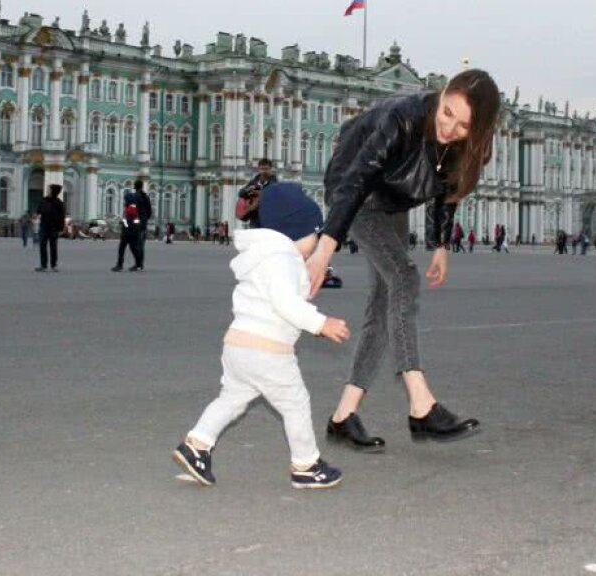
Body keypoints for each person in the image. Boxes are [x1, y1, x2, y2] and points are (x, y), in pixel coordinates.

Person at [305, 69, 501, 451]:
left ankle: (344, 417)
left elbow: (448, 189)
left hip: (392, 200)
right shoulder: (403, 117)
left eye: (463, 127)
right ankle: (421, 402)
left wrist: (441, 245)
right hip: (355, 192)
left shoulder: (473, 146)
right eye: (446, 114)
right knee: (404, 277)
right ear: (441, 95)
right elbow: (358, 179)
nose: (449, 129)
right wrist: (326, 247)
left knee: (384, 302)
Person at [172, 182, 350, 489]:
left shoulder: (263, 256)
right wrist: (321, 323)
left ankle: (197, 445)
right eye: (314, 234)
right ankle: (306, 464)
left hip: (238, 344)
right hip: (268, 350)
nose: (316, 241)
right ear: (296, 231)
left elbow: (278, 298)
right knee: (295, 403)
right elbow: (286, 304)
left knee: (231, 398)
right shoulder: (283, 259)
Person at [237, 157, 278, 227]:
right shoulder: (254, 182)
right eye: (262, 169)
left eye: (266, 169)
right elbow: (241, 193)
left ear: (270, 169)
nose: (264, 171)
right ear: (259, 169)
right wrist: (249, 190)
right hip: (254, 219)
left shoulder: (275, 183)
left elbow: (274, 197)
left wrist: (260, 194)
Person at [35, 184, 66, 273]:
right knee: (42, 246)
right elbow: (38, 211)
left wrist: (60, 228)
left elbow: (62, 217)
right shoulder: (43, 200)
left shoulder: (59, 203)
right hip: (44, 226)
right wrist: (37, 215)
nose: (47, 191)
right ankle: (43, 265)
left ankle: (53, 265)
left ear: (54, 191)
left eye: (49, 189)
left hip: (54, 228)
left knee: (53, 247)